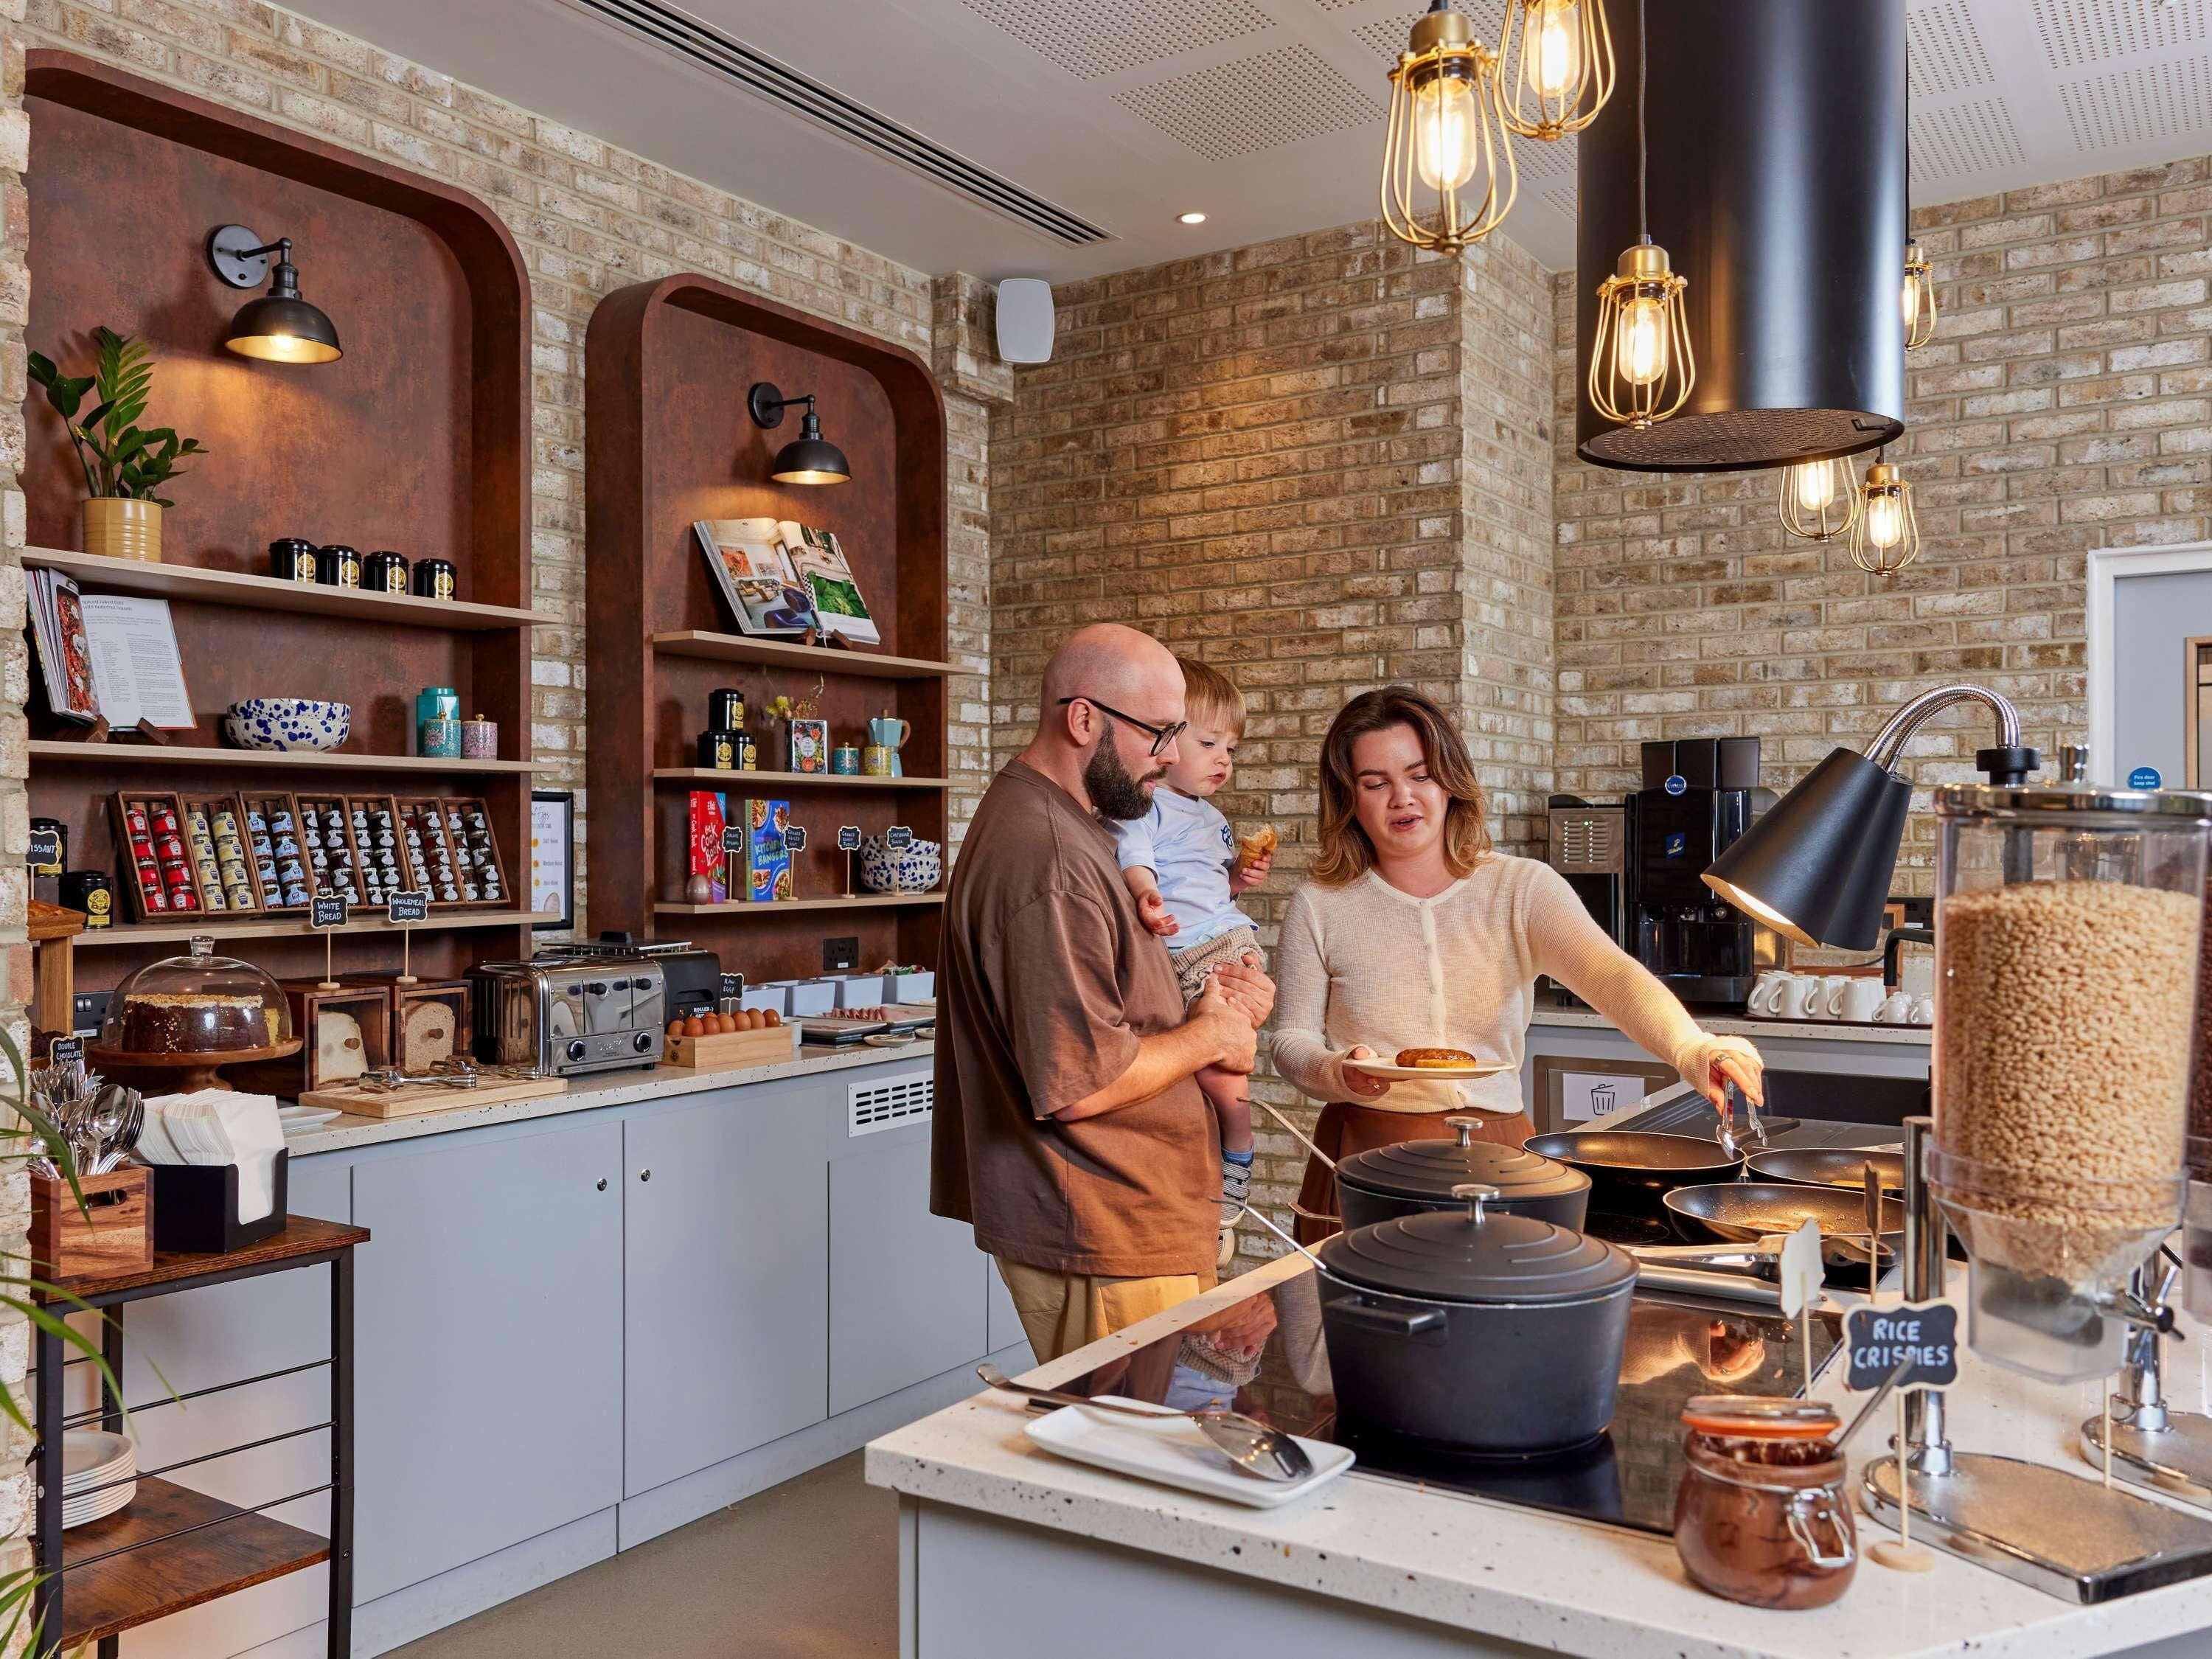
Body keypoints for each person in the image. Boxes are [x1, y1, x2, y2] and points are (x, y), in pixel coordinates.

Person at [1270, 685, 1764, 1242]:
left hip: (1497, 1151)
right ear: (1349, 799)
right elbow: (1290, 1039)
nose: (1402, 798)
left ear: (1450, 781)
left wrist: (1692, 1047)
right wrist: (1338, 1070)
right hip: (1362, 1155)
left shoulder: (1519, 888)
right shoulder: (1321, 903)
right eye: (1375, 783)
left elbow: (1611, 974)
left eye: (1420, 775)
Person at [933, 623, 1277, 1363]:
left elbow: (1113, 997)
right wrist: (1212, 1037)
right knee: (1136, 1458)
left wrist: (1213, 997)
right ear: (1084, 720)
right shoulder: (1048, 856)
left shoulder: (1079, 826)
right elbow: (1081, 1083)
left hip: (1130, 1214)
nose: (1170, 757)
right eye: (1159, 734)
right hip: (1103, 1223)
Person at [1111, 656, 1273, 1270]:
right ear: (1167, 740)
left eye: (1230, 747)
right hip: (1193, 942)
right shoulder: (1149, 805)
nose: (1223, 760)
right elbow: (1135, 851)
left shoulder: (1213, 818)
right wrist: (1145, 891)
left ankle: (1235, 1137)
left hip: (1221, 939)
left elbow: (1209, 886)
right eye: (1208, 743)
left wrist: (1239, 878)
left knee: (1221, 1052)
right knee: (1213, 1055)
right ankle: (1232, 1138)